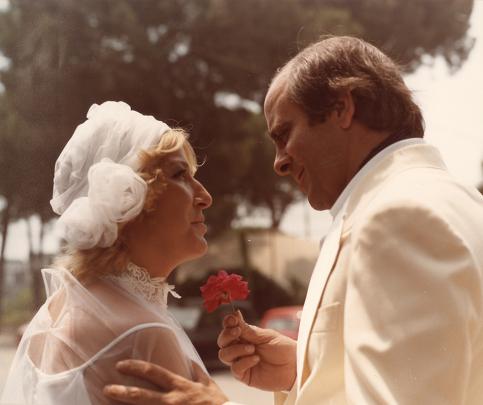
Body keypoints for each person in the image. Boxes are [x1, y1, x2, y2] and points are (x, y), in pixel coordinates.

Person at [101, 36, 483, 405]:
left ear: (341, 109)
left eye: (285, 134)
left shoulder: (397, 217)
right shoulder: (453, 201)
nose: (279, 162)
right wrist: (303, 371)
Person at [0, 100, 222, 405]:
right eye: (179, 175)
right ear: (127, 198)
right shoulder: (143, 333)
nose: (205, 197)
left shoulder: (54, 314)